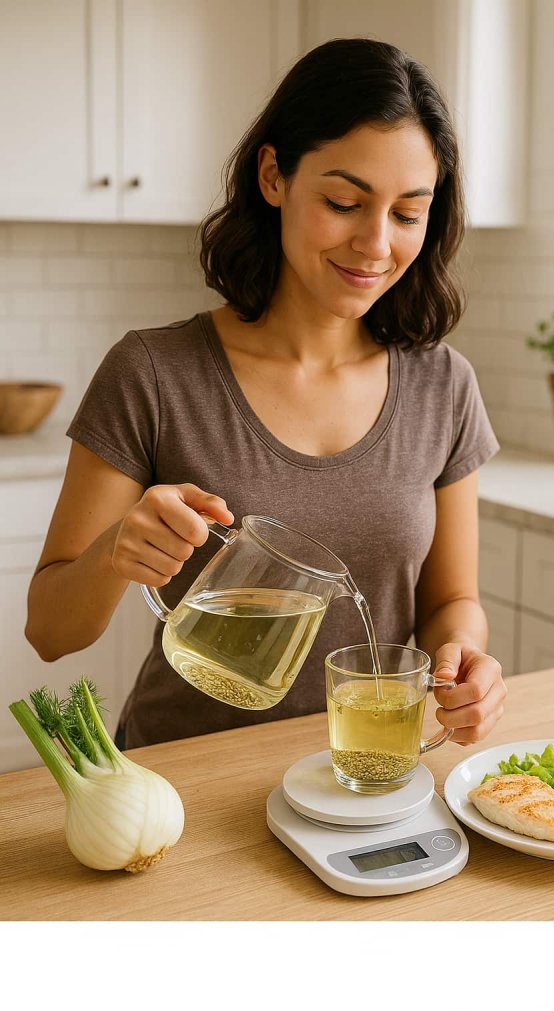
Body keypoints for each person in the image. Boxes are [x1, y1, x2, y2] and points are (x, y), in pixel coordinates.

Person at [25, 37, 507, 749]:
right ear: (273, 175)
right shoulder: (153, 373)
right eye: (344, 201)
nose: (376, 244)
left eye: (407, 213)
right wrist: (114, 553)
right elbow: (49, 633)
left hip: (361, 776)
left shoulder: (444, 386)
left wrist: (465, 656)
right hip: (183, 777)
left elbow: (449, 602)